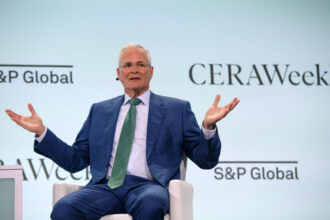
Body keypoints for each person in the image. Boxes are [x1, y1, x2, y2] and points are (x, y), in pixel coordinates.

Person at [5, 43, 239, 220]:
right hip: (105, 188)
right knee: (64, 208)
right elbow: (76, 160)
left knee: (152, 204)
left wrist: (208, 127)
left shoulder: (176, 109)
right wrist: (42, 132)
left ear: (151, 71)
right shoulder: (100, 110)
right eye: (127, 65)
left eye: (140, 65)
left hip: (148, 187)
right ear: (118, 73)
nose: (134, 70)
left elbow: (206, 160)